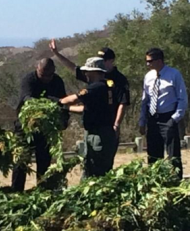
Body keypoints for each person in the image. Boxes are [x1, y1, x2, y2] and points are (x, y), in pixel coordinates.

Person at [49, 39, 129, 163]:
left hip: (107, 126)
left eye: (104, 60)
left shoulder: (117, 80)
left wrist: (117, 124)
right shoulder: (95, 79)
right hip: (93, 126)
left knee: (99, 163)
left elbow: (122, 103)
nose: (86, 73)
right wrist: (57, 53)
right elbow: (73, 68)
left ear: (111, 61)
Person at [12, 58, 69, 192]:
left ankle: (43, 191)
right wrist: (51, 102)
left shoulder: (57, 81)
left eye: (49, 75)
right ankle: (16, 191)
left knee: (44, 161)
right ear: (37, 69)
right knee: (21, 160)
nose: (46, 78)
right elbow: (28, 98)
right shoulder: (29, 79)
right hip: (26, 126)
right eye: (43, 74)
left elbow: (63, 102)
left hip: (46, 128)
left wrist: (63, 120)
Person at [59, 57, 116, 178]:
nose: (85, 74)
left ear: (95, 72)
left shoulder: (95, 88)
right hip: (105, 133)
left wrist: (58, 101)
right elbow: (85, 109)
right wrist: (66, 108)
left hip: (98, 135)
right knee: (98, 170)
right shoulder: (108, 85)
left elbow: (74, 99)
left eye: (87, 71)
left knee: (94, 170)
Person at [139, 48, 188, 179]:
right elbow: (145, 100)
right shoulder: (148, 76)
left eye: (150, 61)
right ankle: (156, 183)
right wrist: (142, 121)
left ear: (159, 61)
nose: (147, 64)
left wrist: (174, 119)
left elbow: (182, 98)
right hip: (153, 119)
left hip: (168, 118)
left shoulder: (174, 74)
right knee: (153, 156)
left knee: (173, 155)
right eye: (146, 61)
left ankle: (176, 183)